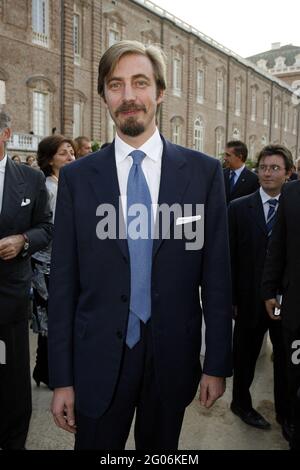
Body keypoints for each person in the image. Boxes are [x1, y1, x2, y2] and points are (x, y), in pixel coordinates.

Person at [48, 40, 232, 450]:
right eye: (116, 85)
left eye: (140, 83)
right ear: (104, 96)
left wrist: (216, 363)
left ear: (160, 92)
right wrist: (61, 377)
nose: (129, 96)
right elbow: (62, 284)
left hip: (172, 355)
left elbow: (216, 275)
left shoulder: (202, 174)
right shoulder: (78, 179)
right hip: (97, 357)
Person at [228, 144, 293, 436]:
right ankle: (240, 403)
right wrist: (230, 300)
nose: (267, 173)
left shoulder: (294, 209)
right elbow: (227, 258)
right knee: (244, 356)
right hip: (248, 301)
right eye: (263, 167)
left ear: (289, 173)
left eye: (275, 168)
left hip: (285, 303)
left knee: (285, 360)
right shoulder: (239, 208)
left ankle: (286, 414)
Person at [0, 110, 53, 449]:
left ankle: (12, 439)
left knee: (12, 376)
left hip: (9, 295)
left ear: (5, 134)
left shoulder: (31, 180)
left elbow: (46, 228)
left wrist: (22, 241)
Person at [31, 135, 75, 388]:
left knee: (57, 316)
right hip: (47, 262)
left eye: (71, 152)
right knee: (50, 318)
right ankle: (46, 370)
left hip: (63, 261)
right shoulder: (48, 188)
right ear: (49, 160)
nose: (70, 157)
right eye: (63, 153)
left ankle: (43, 368)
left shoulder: (69, 184)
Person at [262, 171, 300, 450]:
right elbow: (278, 247)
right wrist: (269, 290)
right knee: (292, 369)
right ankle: (290, 420)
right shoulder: (292, 193)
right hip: (295, 305)